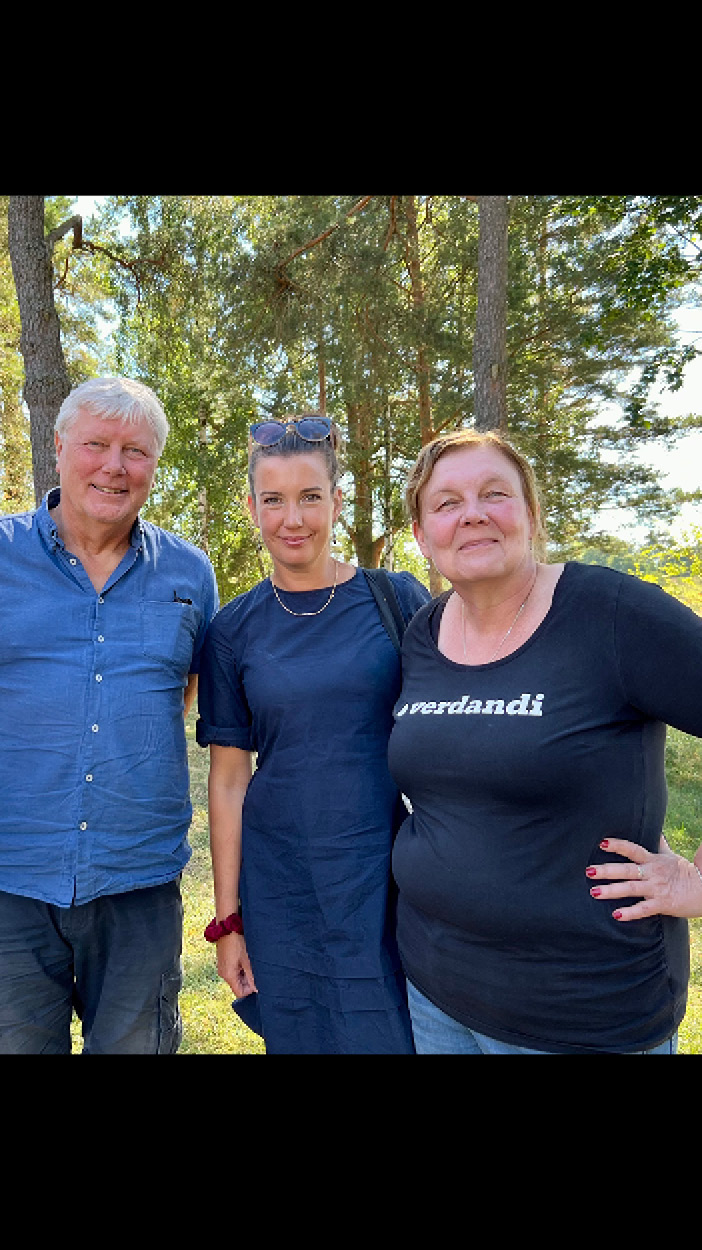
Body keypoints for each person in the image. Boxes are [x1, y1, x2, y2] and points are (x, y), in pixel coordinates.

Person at [0, 376, 218, 1054]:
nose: (113, 465)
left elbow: (177, 695)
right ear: (60, 445)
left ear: (155, 465)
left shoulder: (190, 575)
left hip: (137, 886)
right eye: (96, 444)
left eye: (135, 451)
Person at [387, 428, 702, 1054]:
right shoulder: (422, 633)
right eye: (446, 503)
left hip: (582, 1015)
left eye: (494, 494)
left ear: (533, 515)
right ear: (423, 537)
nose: (473, 513)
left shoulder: (612, 614)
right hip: (435, 992)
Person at [196, 415, 430, 1053]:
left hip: (389, 877)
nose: (291, 518)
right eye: (273, 499)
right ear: (251, 506)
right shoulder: (231, 630)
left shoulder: (396, 600)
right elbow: (228, 778)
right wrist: (229, 920)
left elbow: (454, 729)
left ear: (337, 500)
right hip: (283, 886)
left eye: (309, 497)